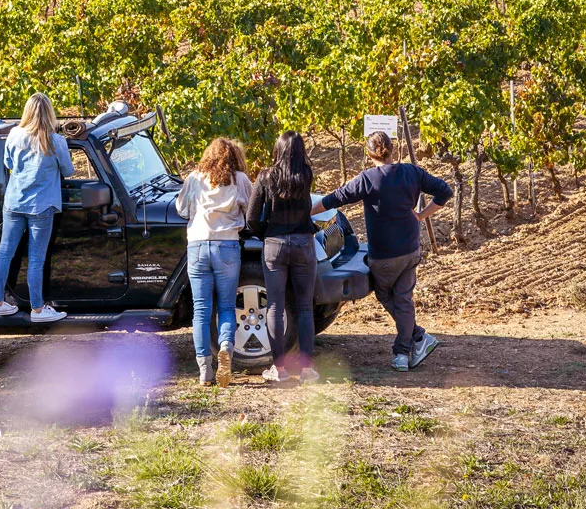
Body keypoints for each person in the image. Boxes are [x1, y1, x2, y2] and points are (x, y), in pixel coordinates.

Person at [315, 131, 452, 372]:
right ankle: (413, 341)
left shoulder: (367, 179)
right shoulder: (412, 172)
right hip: (410, 248)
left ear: (369, 154)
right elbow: (444, 191)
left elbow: (336, 198)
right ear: (392, 149)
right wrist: (421, 215)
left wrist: (308, 212)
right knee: (403, 298)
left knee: (387, 296)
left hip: (384, 254)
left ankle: (406, 348)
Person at [175, 138, 252, 387]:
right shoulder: (239, 179)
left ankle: (204, 371)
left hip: (197, 246)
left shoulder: (194, 178)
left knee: (201, 310)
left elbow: (181, 209)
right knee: (227, 307)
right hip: (227, 246)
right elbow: (251, 210)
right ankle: (226, 348)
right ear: (235, 157)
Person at [245, 132, 321, 385]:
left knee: (275, 307)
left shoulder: (266, 177)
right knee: (305, 307)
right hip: (303, 243)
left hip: (275, 245)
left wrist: (264, 233)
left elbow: (252, 217)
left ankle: (280, 369)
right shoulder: (306, 176)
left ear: (278, 149)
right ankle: (307, 370)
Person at [0, 92, 73, 323]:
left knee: (4, 252)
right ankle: (37, 309)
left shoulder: (14, 134)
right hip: (41, 206)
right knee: (36, 258)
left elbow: (8, 163)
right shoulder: (55, 141)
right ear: (50, 113)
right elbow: (68, 171)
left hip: (14, 202)